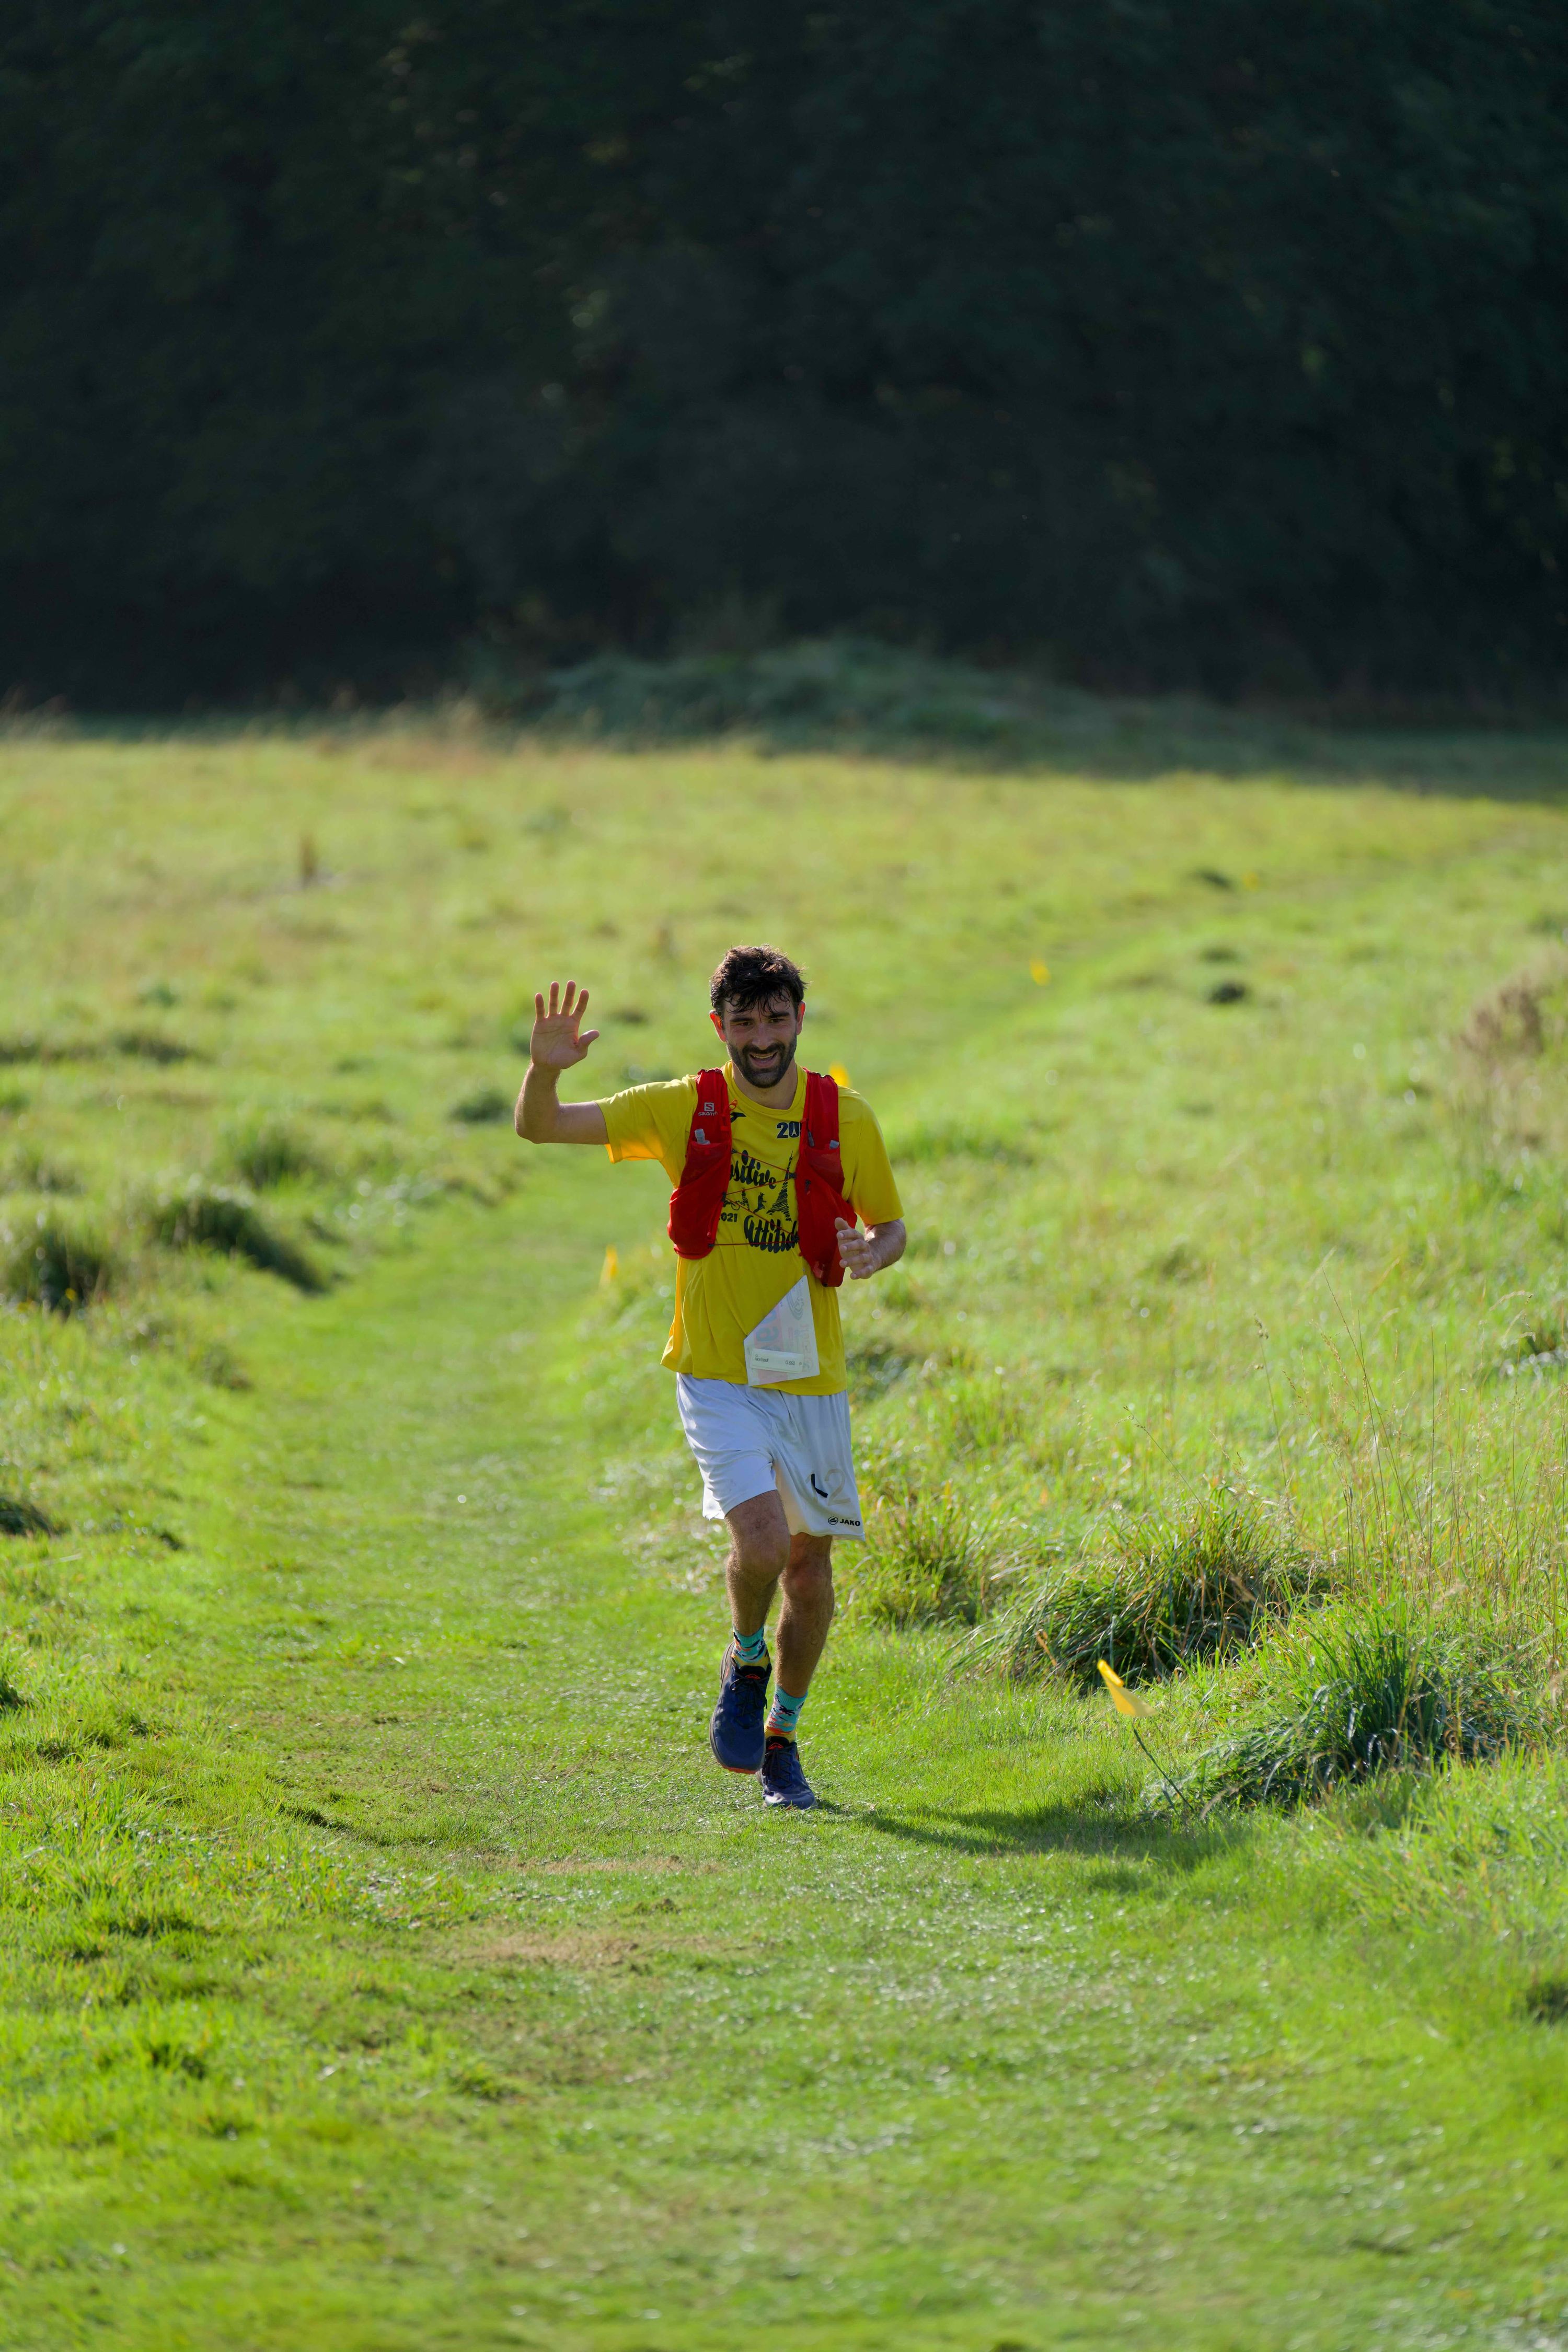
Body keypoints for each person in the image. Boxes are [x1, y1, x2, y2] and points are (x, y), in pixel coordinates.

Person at [517, 944, 906, 1809]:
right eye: (745, 1021)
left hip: (812, 1380)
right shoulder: (682, 1107)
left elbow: (891, 1228)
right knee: (762, 1546)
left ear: (799, 1019)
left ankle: (783, 1740)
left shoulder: (845, 1118)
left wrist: (870, 1255)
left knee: (809, 1574)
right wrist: (543, 1071)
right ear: (719, 1026)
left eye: (777, 1019)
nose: (762, 1038)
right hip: (716, 1376)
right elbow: (540, 1129)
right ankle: (747, 1659)